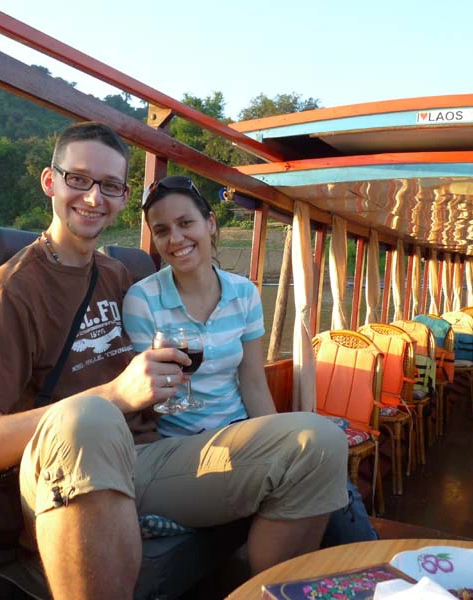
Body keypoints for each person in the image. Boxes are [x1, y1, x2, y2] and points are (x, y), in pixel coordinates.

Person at [0, 121, 349, 600]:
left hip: (147, 461)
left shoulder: (120, 278)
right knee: (90, 418)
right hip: (66, 469)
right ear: (50, 182)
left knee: (318, 439)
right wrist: (115, 395)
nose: (94, 198)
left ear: (121, 197)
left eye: (110, 186)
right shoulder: (15, 289)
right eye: (79, 179)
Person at [122, 175, 378, 546]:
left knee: (320, 463)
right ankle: (366, 567)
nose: (175, 239)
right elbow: (148, 393)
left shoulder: (244, 294)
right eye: (162, 231)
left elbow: (254, 384)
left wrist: (279, 439)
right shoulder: (143, 299)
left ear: (210, 223)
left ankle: (360, 565)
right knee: (319, 461)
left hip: (240, 430)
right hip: (179, 444)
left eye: (185, 223)